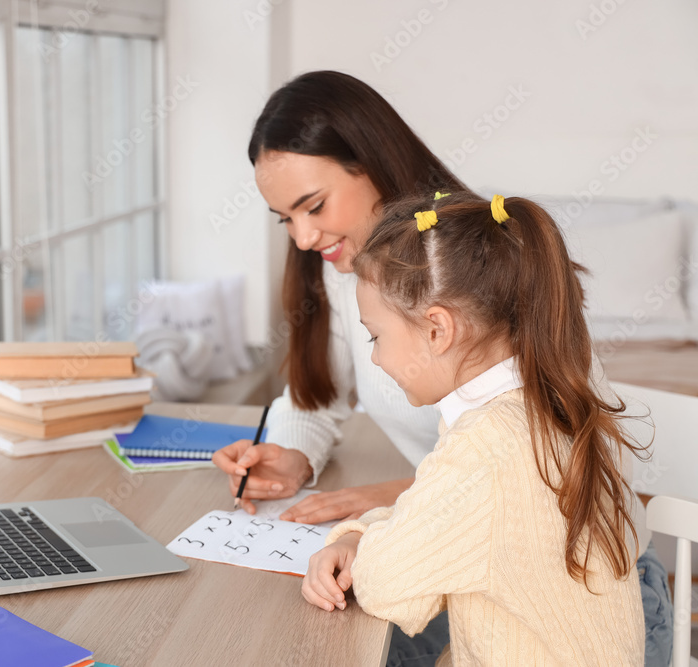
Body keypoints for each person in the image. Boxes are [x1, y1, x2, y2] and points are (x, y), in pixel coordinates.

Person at [211, 71, 672, 666]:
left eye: (314, 206)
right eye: (284, 219)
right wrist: (294, 454)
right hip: (467, 557)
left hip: (579, 596)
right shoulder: (345, 263)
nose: (302, 237)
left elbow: (558, 466)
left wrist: (408, 498)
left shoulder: (492, 273)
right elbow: (320, 391)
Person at [301, 192, 646, 664]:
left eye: (375, 336)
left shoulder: (485, 448)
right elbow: (429, 516)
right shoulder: (541, 400)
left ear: (438, 330)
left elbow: (387, 586)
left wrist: (353, 542)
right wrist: (357, 536)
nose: (376, 358)